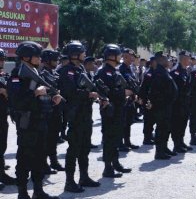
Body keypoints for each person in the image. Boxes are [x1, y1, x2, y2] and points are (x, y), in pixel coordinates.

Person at [8, 41, 62, 199]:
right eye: (36, 56)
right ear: (26, 57)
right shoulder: (17, 76)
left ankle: (38, 191)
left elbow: (41, 98)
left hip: (40, 121)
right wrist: (34, 93)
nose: (40, 58)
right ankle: (22, 196)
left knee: (39, 157)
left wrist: (52, 98)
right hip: (27, 124)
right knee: (25, 159)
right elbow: (18, 102)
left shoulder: (36, 73)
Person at [58, 41, 103, 191]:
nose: (85, 54)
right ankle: (69, 181)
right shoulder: (67, 71)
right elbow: (70, 92)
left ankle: (84, 177)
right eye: (82, 52)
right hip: (75, 115)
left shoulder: (80, 69)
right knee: (74, 148)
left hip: (85, 114)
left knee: (84, 148)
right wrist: (88, 94)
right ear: (75, 54)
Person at [95, 44, 132, 178]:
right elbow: (106, 92)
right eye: (118, 55)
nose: (120, 57)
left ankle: (115, 162)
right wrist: (123, 93)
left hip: (118, 109)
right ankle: (108, 167)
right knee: (109, 138)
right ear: (112, 56)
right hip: (110, 110)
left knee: (116, 138)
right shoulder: (103, 71)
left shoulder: (114, 71)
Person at [144, 52, 178, 160]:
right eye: (166, 59)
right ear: (161, 60)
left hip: (167, 105)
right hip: (162, 106)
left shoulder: (163, 71)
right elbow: (156, 91)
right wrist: (161, 103)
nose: (168, 61)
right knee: (161, 128)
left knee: (166, 128)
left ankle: (164, 147)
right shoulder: (159, 72)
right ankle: (159, 151)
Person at [40, 49, 65, 174]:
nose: (57, 62)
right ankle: (44, 164)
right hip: (46, 110)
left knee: (54, 137)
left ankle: (54, 161)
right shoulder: (41, 73)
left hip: (56, 109)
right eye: (55, 60)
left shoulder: (53, 72)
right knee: (46, 138)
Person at [169, 51, 192, 153]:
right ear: (183, 59)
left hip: (185, 101)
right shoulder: (175, 71)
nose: (190, 60)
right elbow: (173, 89)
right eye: (188, 58)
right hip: (177, 103)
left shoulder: (185, 70)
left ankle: (181, 141)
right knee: (177, 123)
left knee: (183, 122)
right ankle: (176, 144)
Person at [119, 48, 140, 151]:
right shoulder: (120, 69)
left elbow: (133, 83)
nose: (132, 58)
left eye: (132, 56)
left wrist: (134, 95)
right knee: (121, 123)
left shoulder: (130, 68)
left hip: (130, 99)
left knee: (128, 122)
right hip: (123, 99)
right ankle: (120, 143)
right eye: (129, 56)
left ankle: (127, 142)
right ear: (124, 56)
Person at [0, 48, 16, 186]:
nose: (2, 62)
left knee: (2, 145)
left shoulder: (3, 75)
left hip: (3, 114)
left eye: (3, 59)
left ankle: (1, 173)